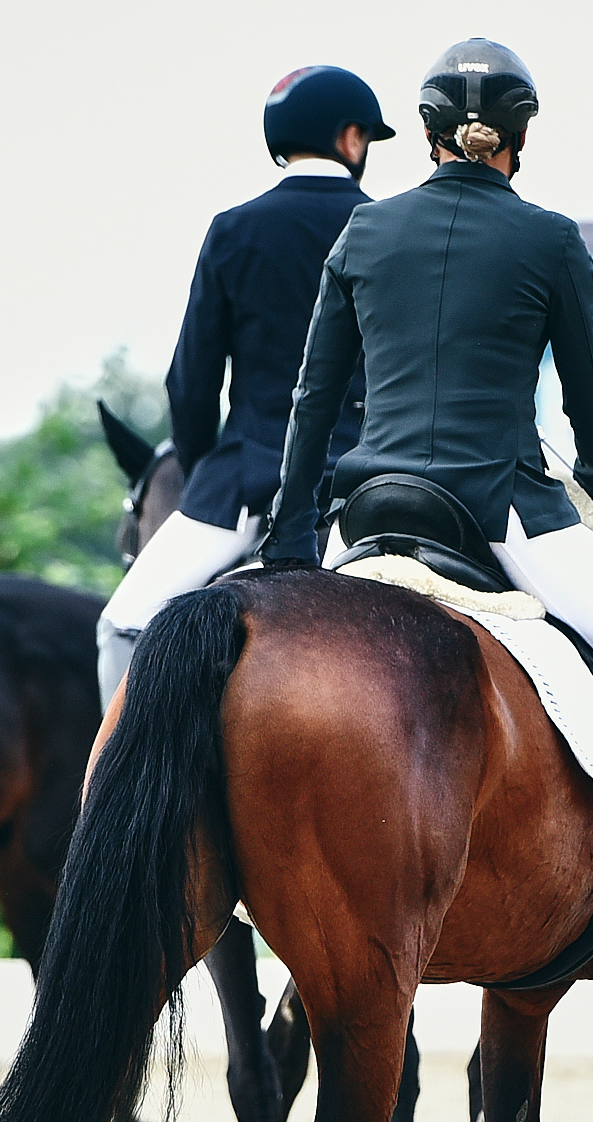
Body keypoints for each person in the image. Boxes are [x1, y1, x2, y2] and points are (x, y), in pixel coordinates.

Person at [258, 40, 593, 995]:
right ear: (518, 137)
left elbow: (313, 397)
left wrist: (289, 542)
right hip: (500, 508)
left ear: (425, 134)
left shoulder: (363, 235)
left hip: (371, 510)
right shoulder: (548, 238)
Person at [94, 65, 391, 705]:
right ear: (348, 137)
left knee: (121, 624)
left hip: (244, 485)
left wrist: (209, 470)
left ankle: (114, 797)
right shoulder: (390, 229)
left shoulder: (234, 230)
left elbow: (191, 383)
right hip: (369, 487)